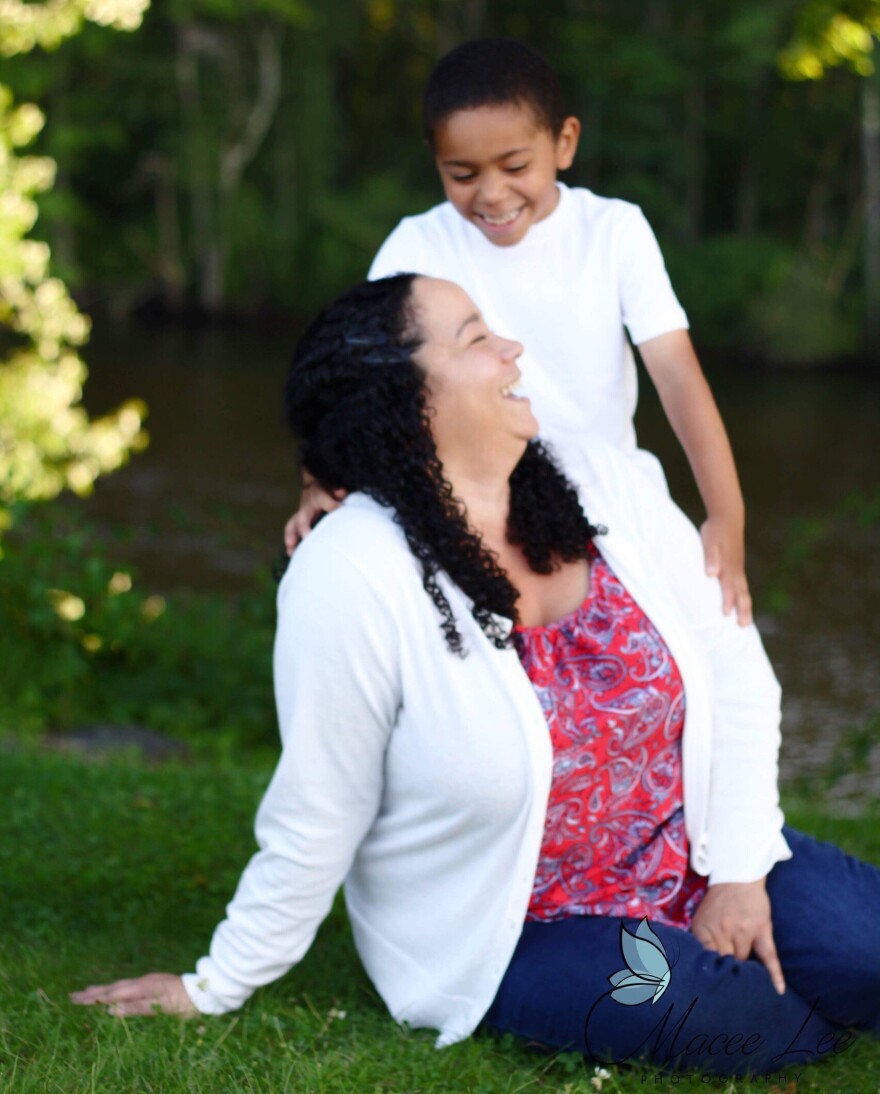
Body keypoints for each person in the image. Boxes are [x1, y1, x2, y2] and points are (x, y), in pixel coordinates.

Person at [71, 276, 879, 1076]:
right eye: (474, 337)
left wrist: (737, 875)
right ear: (405, 396)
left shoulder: (606, 481)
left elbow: (738, 674)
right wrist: (216, 982)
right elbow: (321, 804)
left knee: (864, 955)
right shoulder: (350, 571)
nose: (512, 348)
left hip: (692, 848)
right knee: (750, 1022)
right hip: (516, 924)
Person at [284, 38, 753, 627]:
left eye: (514, 167)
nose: (492, 194)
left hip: (610, 504)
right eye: (462, 174)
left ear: (564, 143)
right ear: (436, 162)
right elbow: (356, 374)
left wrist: (726, 517)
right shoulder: (419, 245)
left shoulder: (614, 232)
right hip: (475, 510)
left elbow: (678, 377)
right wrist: (315, 481)